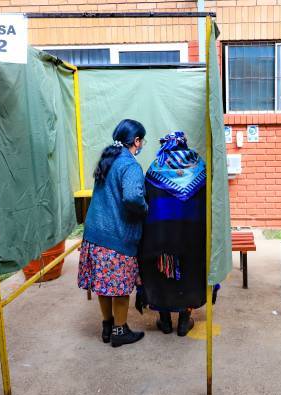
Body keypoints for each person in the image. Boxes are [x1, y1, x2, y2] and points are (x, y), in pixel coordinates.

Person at [78, 119, 148, 347]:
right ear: (136, 141)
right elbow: (133, 197)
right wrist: (146, 208)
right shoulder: (130, 165)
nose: (142, 144)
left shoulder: (108, 159)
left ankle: (107, 326)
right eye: (141, 140)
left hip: (95, 233)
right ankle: (120, 331)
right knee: (119, 287)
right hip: (116, 237)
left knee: (104, 284)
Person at [137, 131, 207, 337]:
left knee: (160, 274)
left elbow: (144, 201)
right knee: (191, 272)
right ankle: (185, 321)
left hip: (160, 237)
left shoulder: (154, 169)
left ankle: (165, 321)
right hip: (193, 235)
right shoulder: (200, 169)